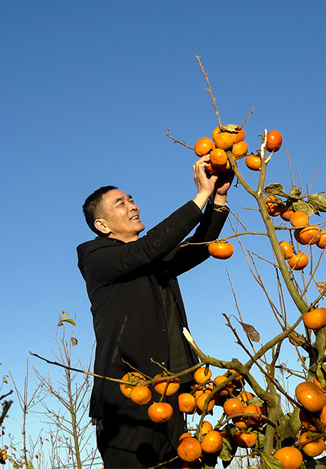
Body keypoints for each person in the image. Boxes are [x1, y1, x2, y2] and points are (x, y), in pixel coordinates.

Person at [77, 156, 233, 468]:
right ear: (102, 225)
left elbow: (197, 247)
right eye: (120, 203)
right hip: (127, 402)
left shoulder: (150, 261)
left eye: (131, 199)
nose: (132, 205)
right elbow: (149, 248)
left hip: (171, 395)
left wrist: (217, 199)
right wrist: (199, 196)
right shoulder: (95, 258)